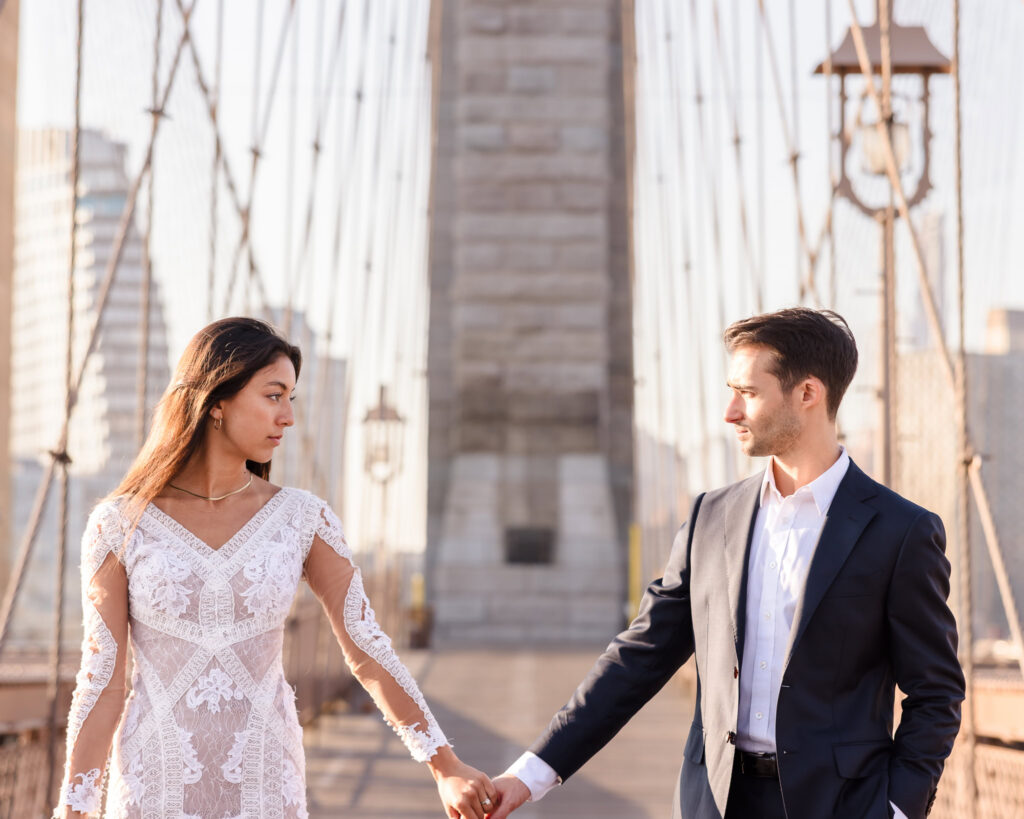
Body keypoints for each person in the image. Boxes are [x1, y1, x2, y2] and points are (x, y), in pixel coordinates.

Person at [487, 308, 965, 819]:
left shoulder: (901, 531)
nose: (729, 412)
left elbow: (935, 692)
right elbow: (638, 659)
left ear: (807, 394)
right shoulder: (709, 518)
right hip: (713, 801)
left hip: (841, 805)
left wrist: (897, 808)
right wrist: (528, 775)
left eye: (748, 393)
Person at [55, 317, 497, 819]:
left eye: (292, 399)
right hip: (154, 786)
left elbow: (367, 648)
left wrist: (446, 765)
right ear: (216, 401)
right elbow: (102, 681)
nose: (288, 416)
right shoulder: (120, 524)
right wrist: (75, 809)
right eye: (273, 396)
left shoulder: (303, 519)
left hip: (265, 784)